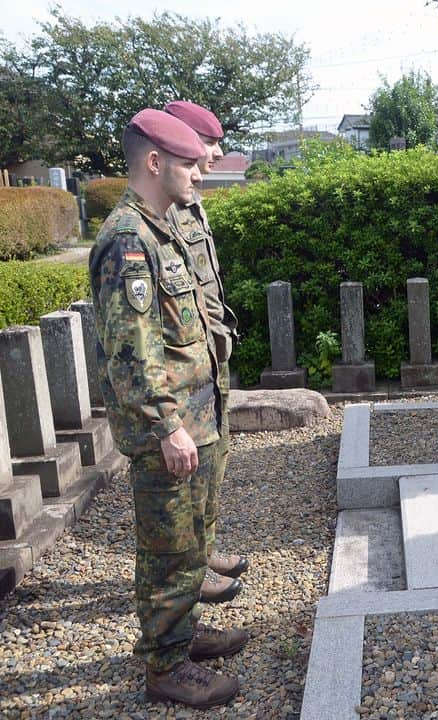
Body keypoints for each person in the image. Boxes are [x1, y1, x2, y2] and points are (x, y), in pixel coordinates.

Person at [89, 108, 247, 709]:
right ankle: (164, 667)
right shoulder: (129, 241)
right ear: (156, 162)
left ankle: (182, 639)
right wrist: (167, 426)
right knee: (168, 552)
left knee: (187, 546)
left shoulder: (161, 228)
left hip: (193, 416)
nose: (197, 174)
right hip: (171, 429)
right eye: (187, 162)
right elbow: (131, 351)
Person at [162, 100, 247, 604]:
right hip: (185, 371)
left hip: (210, 359)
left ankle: (204, 549)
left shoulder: (190, 201)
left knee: (215, 465)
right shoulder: (161, 207)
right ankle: (188, 570)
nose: (213, 154)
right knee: (186, 487)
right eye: (207, 144)